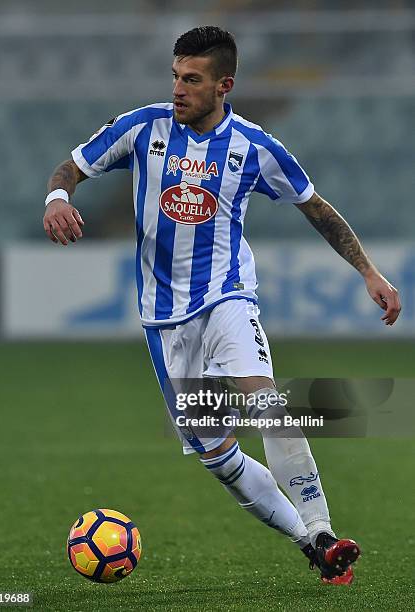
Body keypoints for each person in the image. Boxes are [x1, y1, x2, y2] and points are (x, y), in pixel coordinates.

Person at [43, 26, 401, 585]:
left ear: (223, 85)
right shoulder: (144, 128)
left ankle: (324, 527)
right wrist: (58, 196)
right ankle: (310, 544)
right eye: (175, 77)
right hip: (164, 321)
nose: (179, 89)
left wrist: (368, 271)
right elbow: (72, 166)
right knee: (219, 456)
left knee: (266, 401)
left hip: (227, 296)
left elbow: (316, 208)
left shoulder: (254, 148)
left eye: (192, 80)